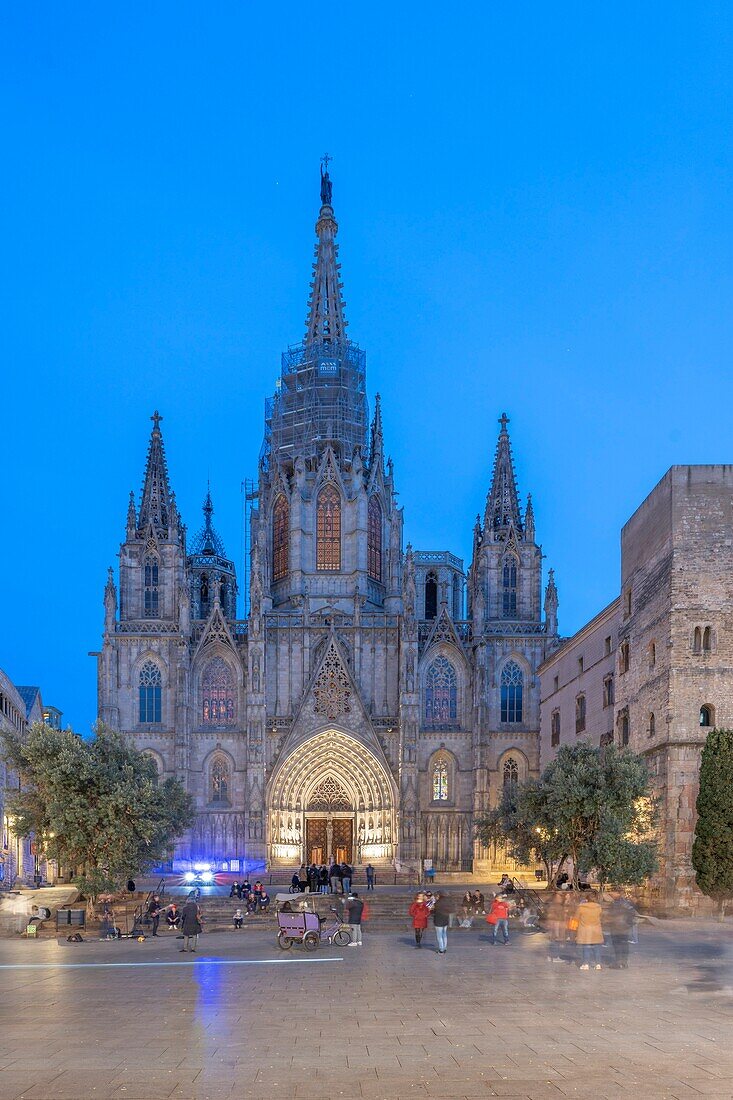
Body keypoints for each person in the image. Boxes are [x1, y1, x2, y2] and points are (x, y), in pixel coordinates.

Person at [605, 891, 637, 969]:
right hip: (624, 928)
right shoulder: (625, 903)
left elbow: (632, 913)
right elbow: (632, 913)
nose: (611, 895)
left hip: (617, 928)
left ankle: (619, 962)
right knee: (624, 945)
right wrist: (629, 923)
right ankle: (624, 962)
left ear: (618, 893)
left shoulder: (618, 903)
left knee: (617, 945)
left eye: (612, 893)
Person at [575, 894, 604, 970]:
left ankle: (586, 964)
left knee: (586, 947)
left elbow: (576, 918)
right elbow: (601, 917)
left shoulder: (581, 907)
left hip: (585, 930)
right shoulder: (599, 907)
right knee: (597, 948)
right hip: (596, 930)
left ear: (586, 899)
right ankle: (598, 964)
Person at [545, 891, 569, 961]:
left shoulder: (558, 905)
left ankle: (551, 956)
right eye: (559, 897)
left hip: (557, 925)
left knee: (555, 941)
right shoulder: (555, 906)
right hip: (556, 925)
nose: (561, 898)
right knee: (556, 941)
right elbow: (552, 916)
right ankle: (555, 956)